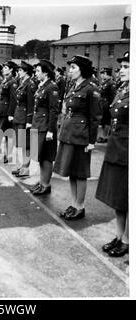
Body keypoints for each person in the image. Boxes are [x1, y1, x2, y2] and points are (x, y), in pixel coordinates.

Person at [53, 55, 101, 219]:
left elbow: (94, 118)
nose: (70, 70)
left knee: (80, 173)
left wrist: (92, 141)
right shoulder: (74, 86)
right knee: (72, 172)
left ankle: (80, 207)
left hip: (81, 136)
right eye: (70, 67)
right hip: (69, 134)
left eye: (73, 67)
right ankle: (74, 204)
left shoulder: (91, 89)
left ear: (82, 70)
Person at [95, 52, 129, 257]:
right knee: (118, 198)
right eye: (121, 66)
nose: (121, 70)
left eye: (127, 66)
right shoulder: (123, 90)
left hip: (127, 151)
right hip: (117, 148)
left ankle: (127, 239)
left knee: (128, 198)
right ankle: (119, 235)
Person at [26, 60, 59, 194]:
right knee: (40, 156)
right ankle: (42, 182)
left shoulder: (52, 87)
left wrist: (51, 130)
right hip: (39, 124)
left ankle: (46, 184)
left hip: (46, 127)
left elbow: (53, 110)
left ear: (46, 72)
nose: (36, 73)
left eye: (38, 71)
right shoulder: (42, 86)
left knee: (46, 157)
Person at [9, 61, 36, 177]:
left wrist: (29, 121)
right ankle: (22, 165)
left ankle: (25, 167)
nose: (18, 72)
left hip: (25, 118)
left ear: (26, 72)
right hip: (19, 116)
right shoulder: (22, 82)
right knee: (21, 144)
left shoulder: (30, 84)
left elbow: (31, 104)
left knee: (26, 144)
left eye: (20, 70)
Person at [0, 61, 18, 163]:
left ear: (11, 69)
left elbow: (13, 99)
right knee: (1, 133)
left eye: (6, 68)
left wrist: (10, 114)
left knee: (7, 134)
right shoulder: (5, 80)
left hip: (6, 111)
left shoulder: (12, 82)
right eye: (4, 67)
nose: (4, 69)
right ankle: (4, 153)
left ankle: (7, 155)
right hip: (0, 110)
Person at [96, 67, 116, 143]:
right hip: (102, 106)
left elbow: (112, 96)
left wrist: (111, 106)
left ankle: (105, 137)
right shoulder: (105, 82)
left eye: (103, 74)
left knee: (106, 122)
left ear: (107, 74)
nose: (102, 76)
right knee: (103, 122)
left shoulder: (111, 83)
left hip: (107, 106)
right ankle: (102, 136)